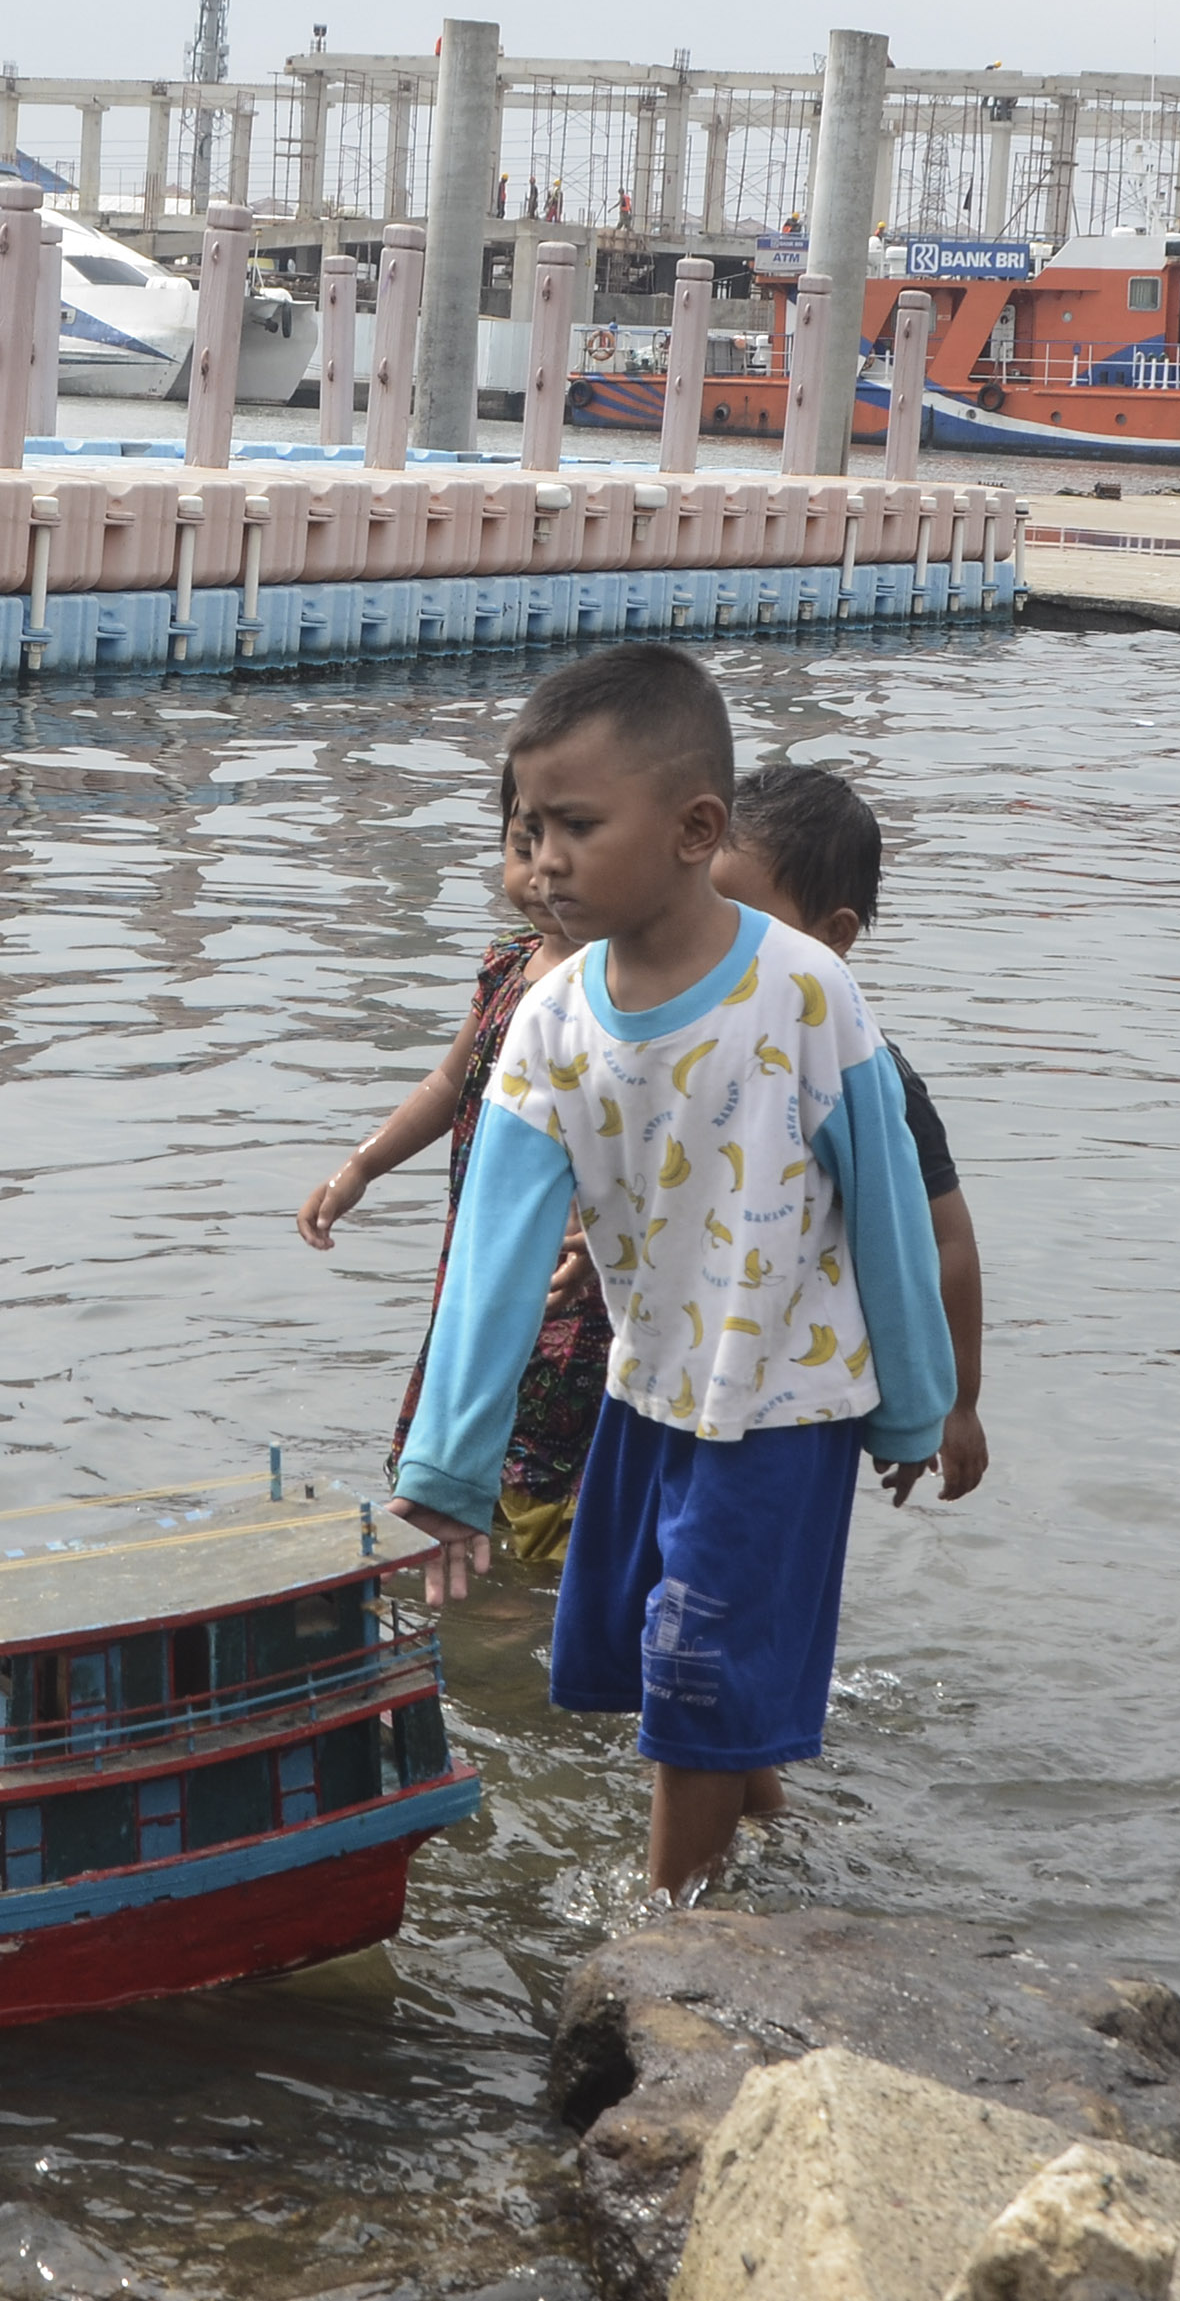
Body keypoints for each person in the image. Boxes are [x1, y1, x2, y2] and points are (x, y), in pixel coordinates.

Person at [387, 646, 953, 1900]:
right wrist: (447, 1474)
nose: (541, 859)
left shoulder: (807, 993)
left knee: (690, 1667)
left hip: (786, 1407)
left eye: (577, 826)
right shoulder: (550, 1018)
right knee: (664, 1660)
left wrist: (917, 1403)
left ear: (696, 828)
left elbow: (896, 1216)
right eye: (525, 827)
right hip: (645, 1399)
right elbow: (495, 1257)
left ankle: (662, 1931)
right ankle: (769, 1844)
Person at [297, 795, 610, 1564]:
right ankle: (470, 1534)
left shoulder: (619, 985)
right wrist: (362, 1164)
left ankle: (541, 1576)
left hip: (568, 1261)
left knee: (548, 1426)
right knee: (466, 1380)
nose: (542, 873)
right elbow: (448, 1083)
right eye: (522, 846)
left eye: (569, 844)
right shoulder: (507, 965)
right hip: (479, 1247)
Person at [712, 763, 986, 1511]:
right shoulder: (690, 1046)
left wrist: (947, 1404)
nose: (705, 936)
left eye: (736, 915)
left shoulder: (870, 1077)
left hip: (797, 1390)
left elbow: (943, 1241)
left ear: (832, 937)